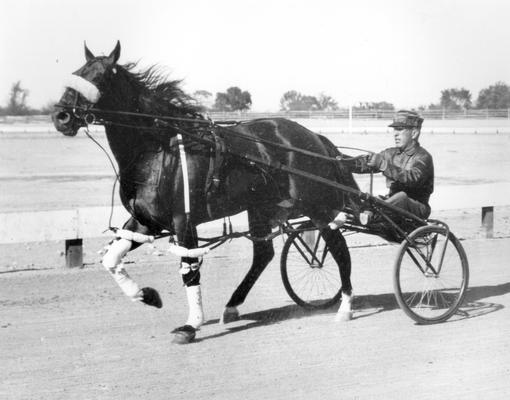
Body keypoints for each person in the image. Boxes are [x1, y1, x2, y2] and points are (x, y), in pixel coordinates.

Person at [352, 109, 434, 221]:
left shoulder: (423, 157)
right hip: (393, 202)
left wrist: (383, 165)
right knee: (369, 197)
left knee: (401, 197)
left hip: (418, 207)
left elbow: (412, 178)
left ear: (414, 133)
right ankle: (366, 213)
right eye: (395, 130)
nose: (395, 134)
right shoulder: (390, 153)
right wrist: (341, 161)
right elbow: (364, 165)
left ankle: (371, 214)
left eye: (400, 130)